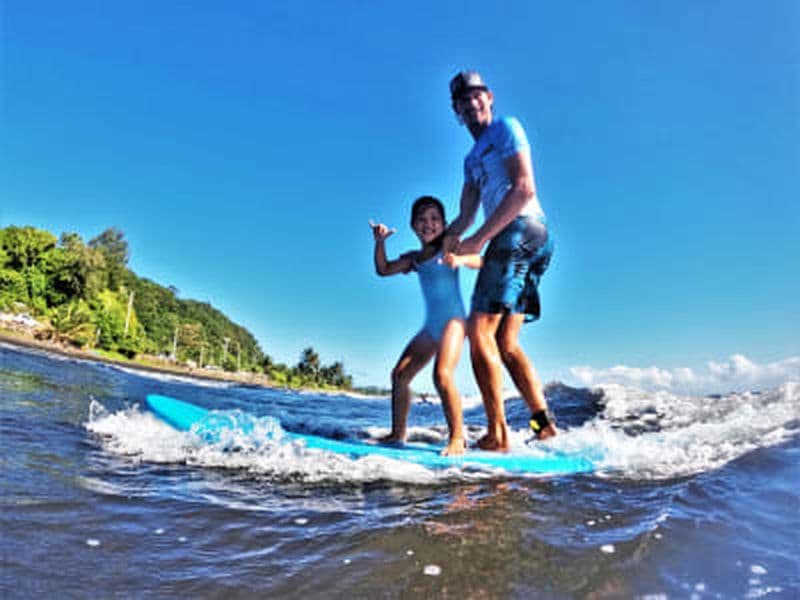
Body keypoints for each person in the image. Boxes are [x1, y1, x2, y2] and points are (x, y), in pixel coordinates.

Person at [443, 70, 558, 451]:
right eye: (463, 100)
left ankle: (498, 434)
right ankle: (543, 426)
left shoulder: (506, 128)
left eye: (476, 95)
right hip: (527, 239)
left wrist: (479, 239)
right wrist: (446, 239)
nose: (471, 103)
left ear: (489, 97)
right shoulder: (470, 160)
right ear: (456, 110)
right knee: (506, 343)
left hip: (522, 230)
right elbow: (464, 215)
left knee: (480, 333)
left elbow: (525, 187)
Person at [369, 196, 479, 456]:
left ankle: (457, 438)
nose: (428, 224)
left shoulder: (450, 245)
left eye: (434, 219)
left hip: (454, 322)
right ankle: (398, 434)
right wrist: (380, 242)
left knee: (441, 376)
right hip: (431, 327)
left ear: (442, 223)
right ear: (413, 225)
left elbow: (480, 260)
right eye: (422, 219)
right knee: (399, 375)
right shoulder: (415, 259)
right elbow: (383, 270)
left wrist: (461, 260)